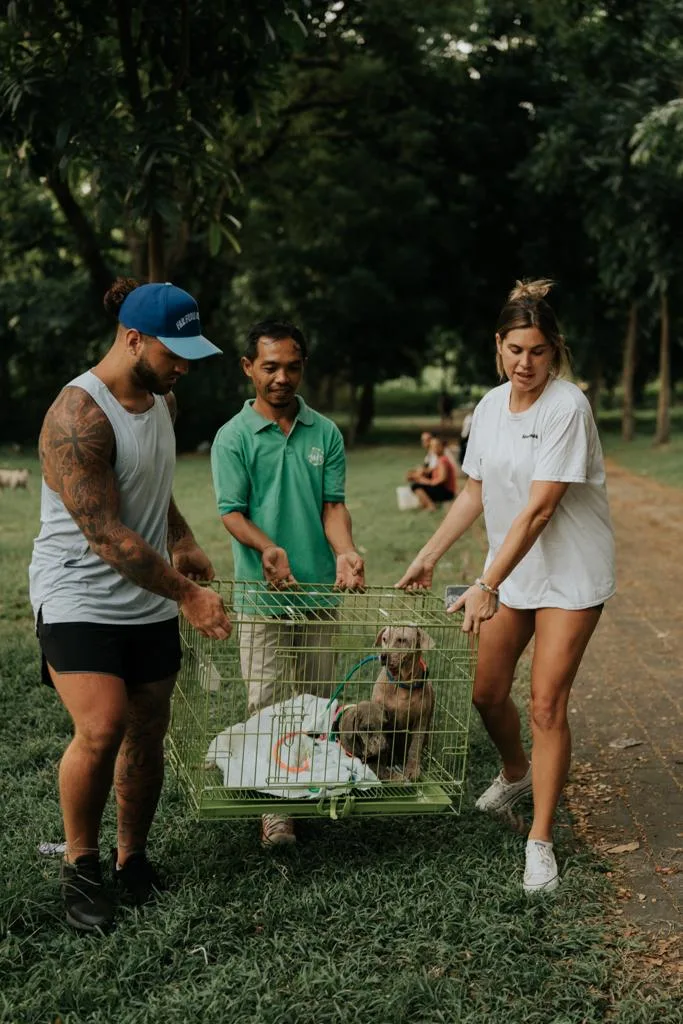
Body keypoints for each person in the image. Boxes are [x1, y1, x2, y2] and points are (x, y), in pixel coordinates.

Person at [397, 279, 615, 894]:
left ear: (555, 352)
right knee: (487, 694)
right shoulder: (488, 408)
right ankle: (516, 770)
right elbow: (475, 491)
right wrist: (429, 556)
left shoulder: (567, 408)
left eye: (538, 351)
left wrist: (486, 581)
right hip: (511, 572)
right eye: (515, 349)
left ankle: (540, 840)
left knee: (547, 704)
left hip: (569, 574)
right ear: (498, 346)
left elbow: (542, 511)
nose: (526, 363)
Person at [29, 278, 232, 932]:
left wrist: (182, 538)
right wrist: (190, 595)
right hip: (77, 589)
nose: (183, 367)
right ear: (132, 338)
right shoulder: (77, 416)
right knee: (102, 725)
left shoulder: (161, 403)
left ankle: (131, 859)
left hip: (145, 594)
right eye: (174, 353)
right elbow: (107, 535)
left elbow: (151, 488)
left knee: (148, 729)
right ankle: (81, 867)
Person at [210, 318, 365, 848]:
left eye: (292, 367)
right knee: (268, 699)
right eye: (270, 366)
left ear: (303, 367)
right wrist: (266, 549)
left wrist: (345, 551)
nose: (281, 377)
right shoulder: (234, 438)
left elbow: (333, 506)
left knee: (319, 699)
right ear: (248, 368)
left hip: (319, 592)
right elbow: (231, 513)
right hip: (260, 596)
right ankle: (275, 806)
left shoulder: (325, 433)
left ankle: (314, 786)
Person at [409, 436, 457, 511]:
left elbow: (442, 479)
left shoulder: (442, 460)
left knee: (415, 486)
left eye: (436, 446)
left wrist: (428, 482)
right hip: (445, 490)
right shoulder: (440, 459)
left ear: (442, 447)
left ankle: (430, 506)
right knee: (418, 483)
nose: (434, 449)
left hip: (447, 492)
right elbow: (431, 471)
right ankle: (424, 504)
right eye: (432, 446)